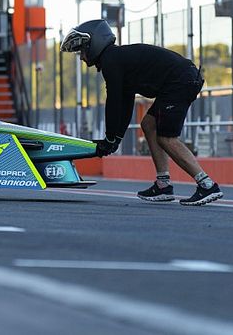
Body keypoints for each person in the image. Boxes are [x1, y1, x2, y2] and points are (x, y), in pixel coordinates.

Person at [62, 20, 223, 206]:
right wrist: (116, 139)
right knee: (148, 124)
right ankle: (163, 185)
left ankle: (207, 185)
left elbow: (114, 101)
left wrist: (109, 139)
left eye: (82, 50)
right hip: (180, 79)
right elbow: (126, 100)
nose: (81, 57)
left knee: (166, 138)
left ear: (94, 44)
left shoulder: (111, 60)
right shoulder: (117, 58)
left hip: (180, 80)